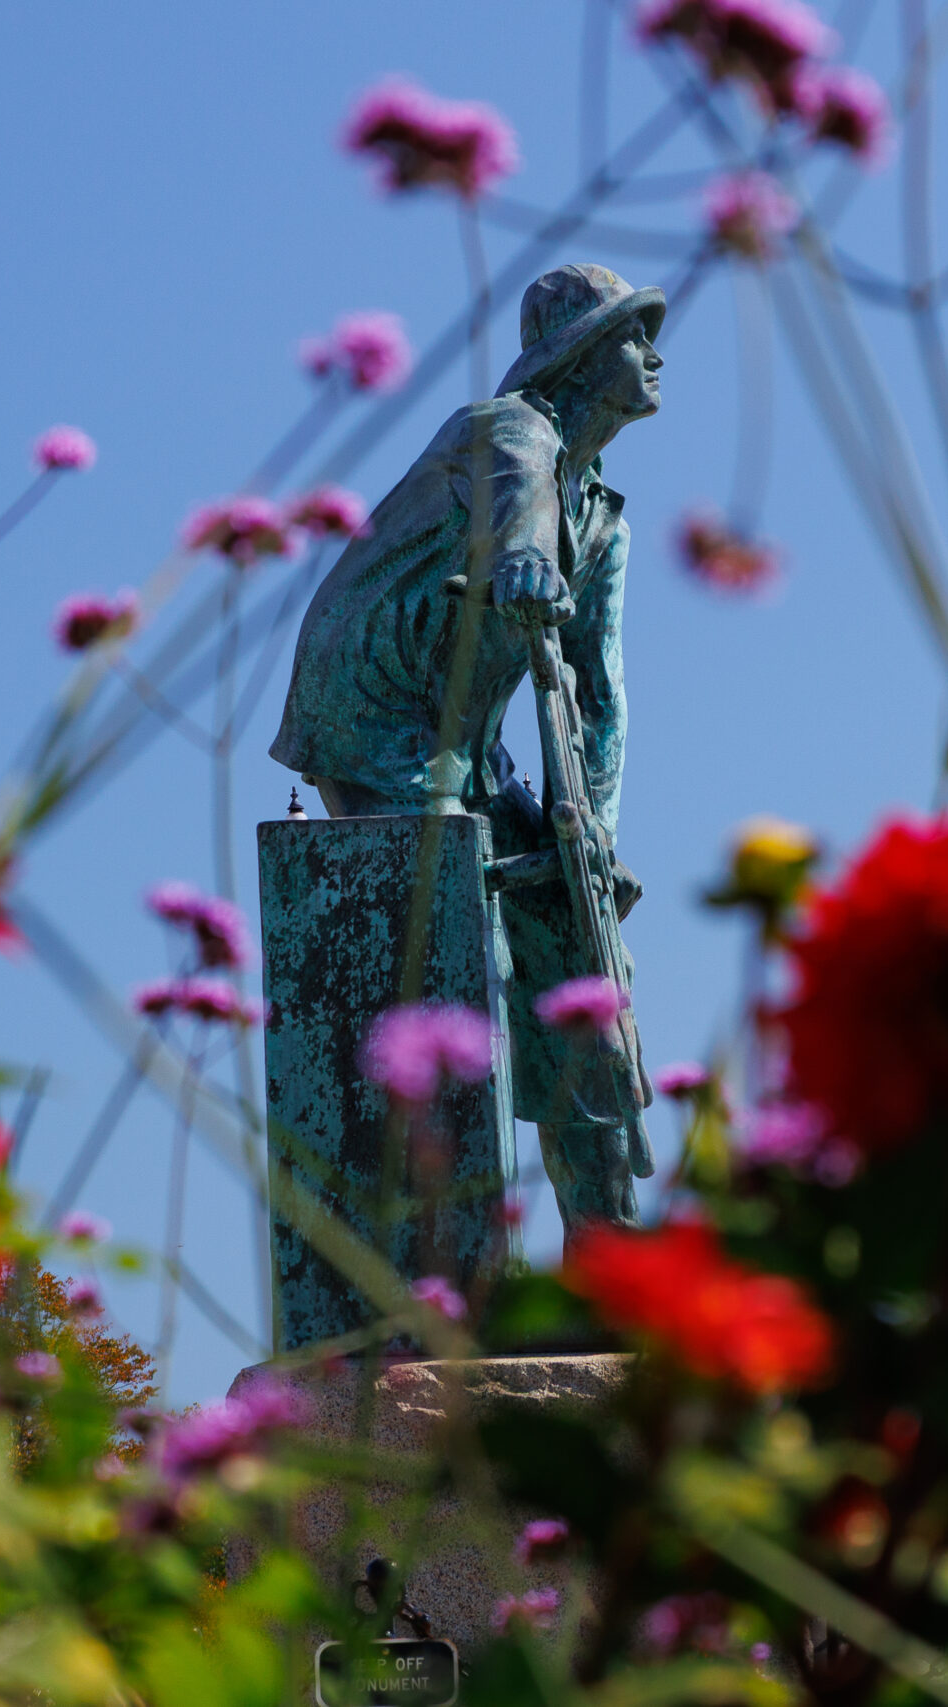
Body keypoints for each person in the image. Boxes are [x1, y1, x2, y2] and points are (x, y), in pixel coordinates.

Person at [272, 263, 665, 1229]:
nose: (654, 358)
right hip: (376, 713)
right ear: (580, 358)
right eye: (633, 337)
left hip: (469, 742)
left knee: (576, 943)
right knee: (456, 928)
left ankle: (604, 1244)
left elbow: (599, 695)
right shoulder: (508, 433)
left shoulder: (604, 520)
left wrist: (593, 841)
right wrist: (527, 563)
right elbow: (516, 518)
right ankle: (440, 1244)